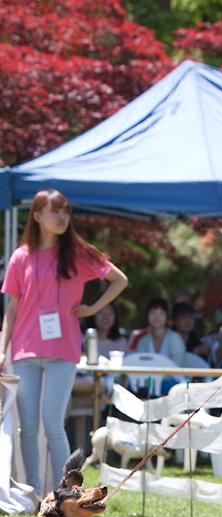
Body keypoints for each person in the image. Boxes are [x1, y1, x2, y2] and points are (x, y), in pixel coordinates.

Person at [0, 189, 128, 496]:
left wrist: (92, 309)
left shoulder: (78, 252)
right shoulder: (21, 257)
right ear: (37, 216)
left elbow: (120, 279)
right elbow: (12, 309)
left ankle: (66, 494)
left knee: (53, 423)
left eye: (66, 211)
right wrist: (1, 349)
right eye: (54, 211)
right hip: (24, 350)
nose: (61, 217)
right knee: (27, 427)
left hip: (63, 351)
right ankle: (36, 494)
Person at [127, 297, 186, 367]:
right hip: (148, 377)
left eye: (161, 313)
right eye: (153, 312)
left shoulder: (175, 338)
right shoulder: (143, 341)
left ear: (167, 316)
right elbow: (139, 364)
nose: (157, 316)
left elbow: (177, 366)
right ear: (147, 315)